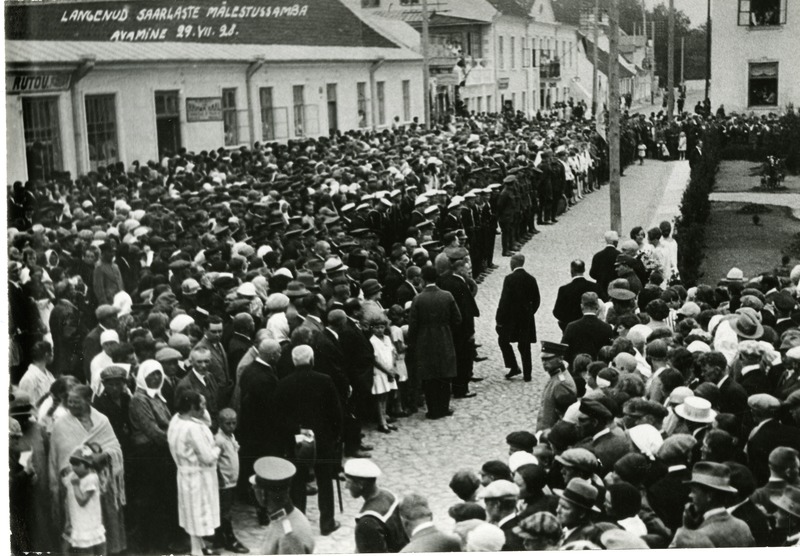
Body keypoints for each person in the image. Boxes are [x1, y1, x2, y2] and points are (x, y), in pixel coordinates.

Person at [273, 344, 343, 536]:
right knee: (325, 480)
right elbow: (336, 412)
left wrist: (291, 436)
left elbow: (279, 417)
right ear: (312, 360)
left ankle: (299, 523)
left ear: (293, 362)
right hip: (323, 439)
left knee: (298, 482)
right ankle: (327, 522)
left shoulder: (284, 383)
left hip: (296, 439)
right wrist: (336, 436)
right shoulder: (325, 380)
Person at [48, 384, 127, 554]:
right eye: (69, 402)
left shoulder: (102, 421)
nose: (72, 406)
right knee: (77, 524)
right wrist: (79, 469)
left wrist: (103, 456)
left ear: (88, 401)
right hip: (75, 483)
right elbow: (59, 457)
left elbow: (115, 447)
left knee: (100, 523)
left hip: (101, 481)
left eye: (77, 402)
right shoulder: (61, 425)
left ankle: (106, 550)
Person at [168, 390, 221, 556]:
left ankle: (200, 547)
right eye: (202, 405)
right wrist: (219, 447)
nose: (205, 408)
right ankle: (197, 551)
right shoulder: (193, 429)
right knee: (198, 514)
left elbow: (205, 420)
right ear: (192, 406)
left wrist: (201, 406)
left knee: (192, 513)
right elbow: (207, 457)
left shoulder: (176, 419)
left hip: (184, 474)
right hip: (198, 476)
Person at [407, 265, 461, 419]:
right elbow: (457, 319)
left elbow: (413, 324)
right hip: (444, 337)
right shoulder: (447, 296)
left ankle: (433, 410)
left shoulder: (418, 298)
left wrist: (412, 343)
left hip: (425, 340)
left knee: (429, 376)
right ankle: (444, 407)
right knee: (444, 373)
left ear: (423, 279)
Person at [670, 461, 754, 548]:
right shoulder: (743, 526)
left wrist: (686, 528)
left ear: (709, 495)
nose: (690, 495)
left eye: (694, 491)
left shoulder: (694, 538)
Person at [250, 457, 315, 554]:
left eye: (255, 488)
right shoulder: (289, 515)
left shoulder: (289, 536)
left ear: (263, 494)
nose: (253, 491)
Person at [344, 458, 409, 552]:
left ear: (360, 484)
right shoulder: (389, 495)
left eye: (348, 482)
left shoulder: (367, 522)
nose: (346, 486)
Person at [495, 254, 541, 381]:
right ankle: (527, 374)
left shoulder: (509, 279)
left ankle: (513, 365)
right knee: (525, 346)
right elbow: (537, 299)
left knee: (503, 341)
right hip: (526, 318)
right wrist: (530, 312)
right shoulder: (531, 279)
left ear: (514, 263)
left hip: (511, 318)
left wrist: (499, 318)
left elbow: (504, 300)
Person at [213, 408, 249, 553]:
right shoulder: (219, 440)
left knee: (227, 509)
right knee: (225, 511)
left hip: (232, 481)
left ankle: (219, 538)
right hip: (224, 483)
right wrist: (220, 478)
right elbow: (214, 461)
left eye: (234, 423)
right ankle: (229, 538)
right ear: (220, 423)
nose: (232, 426)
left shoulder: (230, 436)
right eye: (228, 423)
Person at [63, 445, 106, 555]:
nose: (74, 468)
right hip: (77, 519)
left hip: (87, 521)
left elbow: (82, 501)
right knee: (76, 547)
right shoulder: (75, 476)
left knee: (87, 547)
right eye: (72, 464)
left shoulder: (91, 479)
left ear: (87, 465)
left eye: (77, 465)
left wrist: (76, 485)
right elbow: (66, 484)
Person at [561, 292, 614, 365]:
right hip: (597, 369)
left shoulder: (571, 327)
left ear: (581, 306)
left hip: (576, 369)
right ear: (597, 306)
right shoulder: (607, 328)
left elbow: (564, 351)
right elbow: (609, 352)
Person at [536, 341, 577, 432]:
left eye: (548, 359)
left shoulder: (561, 383)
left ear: (560, 358)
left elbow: (565, 417)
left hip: (551, 433)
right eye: (543, 359)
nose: (544, 363)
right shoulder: (555, 376)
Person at [553, 260, 602, 332]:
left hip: (571, 328)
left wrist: (567, 322)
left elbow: (557, 312)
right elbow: (604, 305)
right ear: (584, 269)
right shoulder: (595, 287)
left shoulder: (564, 289)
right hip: (592, 328)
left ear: (571, 270)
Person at [480, 479, 524, 550]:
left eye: (487, 504)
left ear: (497, 505)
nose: (486, 509)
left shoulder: (502, 538)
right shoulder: (523, 524)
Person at [590, 231, 620, 300]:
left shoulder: (597, 255)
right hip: (616, 287)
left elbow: (592, 273)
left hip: (601, 286)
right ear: (615, 242)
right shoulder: (619, 255)